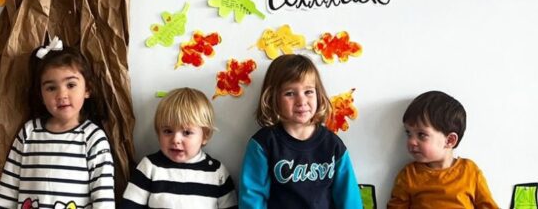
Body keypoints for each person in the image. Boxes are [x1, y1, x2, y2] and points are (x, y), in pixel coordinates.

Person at [0, 37, 116, 209]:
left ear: (87, 89)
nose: (61, 95)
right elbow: (7, 191)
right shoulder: (28, 132)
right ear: (41, 95)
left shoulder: (93, 138)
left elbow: (103, 200)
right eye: (51, 88)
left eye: (71, 85)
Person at [238, 55, 361, 209]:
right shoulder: (263, 144)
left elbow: (349, 198)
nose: (301, 101)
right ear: (272, 98)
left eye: (308, 92)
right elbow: (252, 197)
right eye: (289, 93)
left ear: (318, 94)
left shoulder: (333, 145)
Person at [121, 87, 237, 208]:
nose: (175, 140)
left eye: (187, 133)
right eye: (168, 131)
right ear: (158, 132)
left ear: (205, 135)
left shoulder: (216, 172)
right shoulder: (149, 167)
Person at [386, 91, 498, 209]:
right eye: (408, 133)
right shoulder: (409, 174)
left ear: (449, 140)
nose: (411, 141)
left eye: (421, 135)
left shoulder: (470, 171)